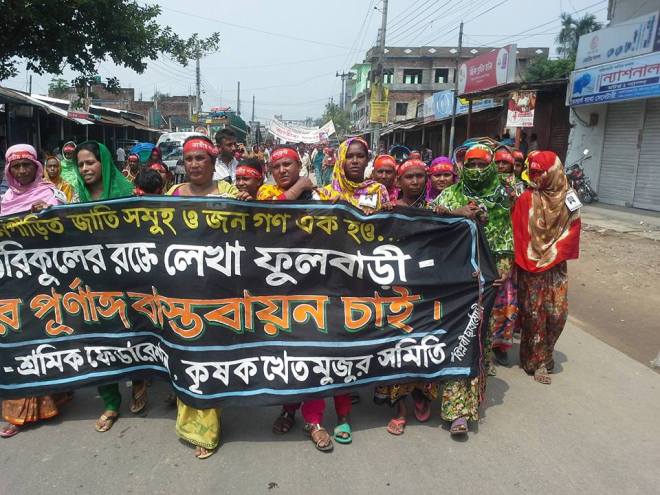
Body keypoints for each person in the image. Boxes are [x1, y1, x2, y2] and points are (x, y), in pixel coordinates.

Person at [166, 135, 242, 459]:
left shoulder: (230, 194)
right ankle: (189, 419)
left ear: (213, 163)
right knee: (186, 353)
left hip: (219, 290)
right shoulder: (172, 195)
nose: (194, 165)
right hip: (181, 291)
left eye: (201, 159)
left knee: (211, 356)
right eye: (189, 160)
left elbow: (249, 231)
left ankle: (208, 429)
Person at [431, 143, 513, 436]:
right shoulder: (451, 194)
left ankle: (464, 409)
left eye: (482, 165)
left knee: (476, 339)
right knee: (454, 338)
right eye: (471, 165)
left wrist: (504, 269)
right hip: (453, 280)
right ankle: (447, 404)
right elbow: (429, 217)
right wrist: (457, 212)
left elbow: (507, 234)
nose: (477, 170)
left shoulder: (504, 195)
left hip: (486, 282)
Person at [71, 141, 147, 431]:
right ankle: (111, 402)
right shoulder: (75, 198)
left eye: (90, 162)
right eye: (80, 164)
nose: (85, 169)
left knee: (135, 335)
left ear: (103, 162)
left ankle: (139, 381)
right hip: (92, 284)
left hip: (129, 280)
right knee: (99, 341)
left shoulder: (126, 194)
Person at [0, 144, 69, 438]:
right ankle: (18, 412)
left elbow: (71, 228)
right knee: (18, 341)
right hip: (13, 285)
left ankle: (54, 398)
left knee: (45, 340)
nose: (22, 171)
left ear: (36, 167)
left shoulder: (51, 195)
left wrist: (50, 213)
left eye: (26, 165)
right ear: (9, 170)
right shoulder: (5, 201)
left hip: (45, 281)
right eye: (16, 167)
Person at [374, 159, 437, 435]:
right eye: (408, 177)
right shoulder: (388, 210)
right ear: (398, 182)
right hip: (395, 289)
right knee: (396, 344)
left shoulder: (437, 210)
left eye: (419, 176)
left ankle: (422, 395)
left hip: (426, 288)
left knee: (423, 342)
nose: (414, 181)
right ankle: (399, 406)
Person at [511, 151, 581, 385]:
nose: (536, 177)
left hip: (556, 265)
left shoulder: (570, 198)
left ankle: (545, 354)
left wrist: (552, 254)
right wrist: (529, 260)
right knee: (534, 315)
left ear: (554, 173)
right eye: (533, 173)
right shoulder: (526, 199)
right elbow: (518, 234)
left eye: (541, 173)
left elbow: (573, 230)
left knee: (558, 313)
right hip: (530, 267)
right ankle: (537, 361)